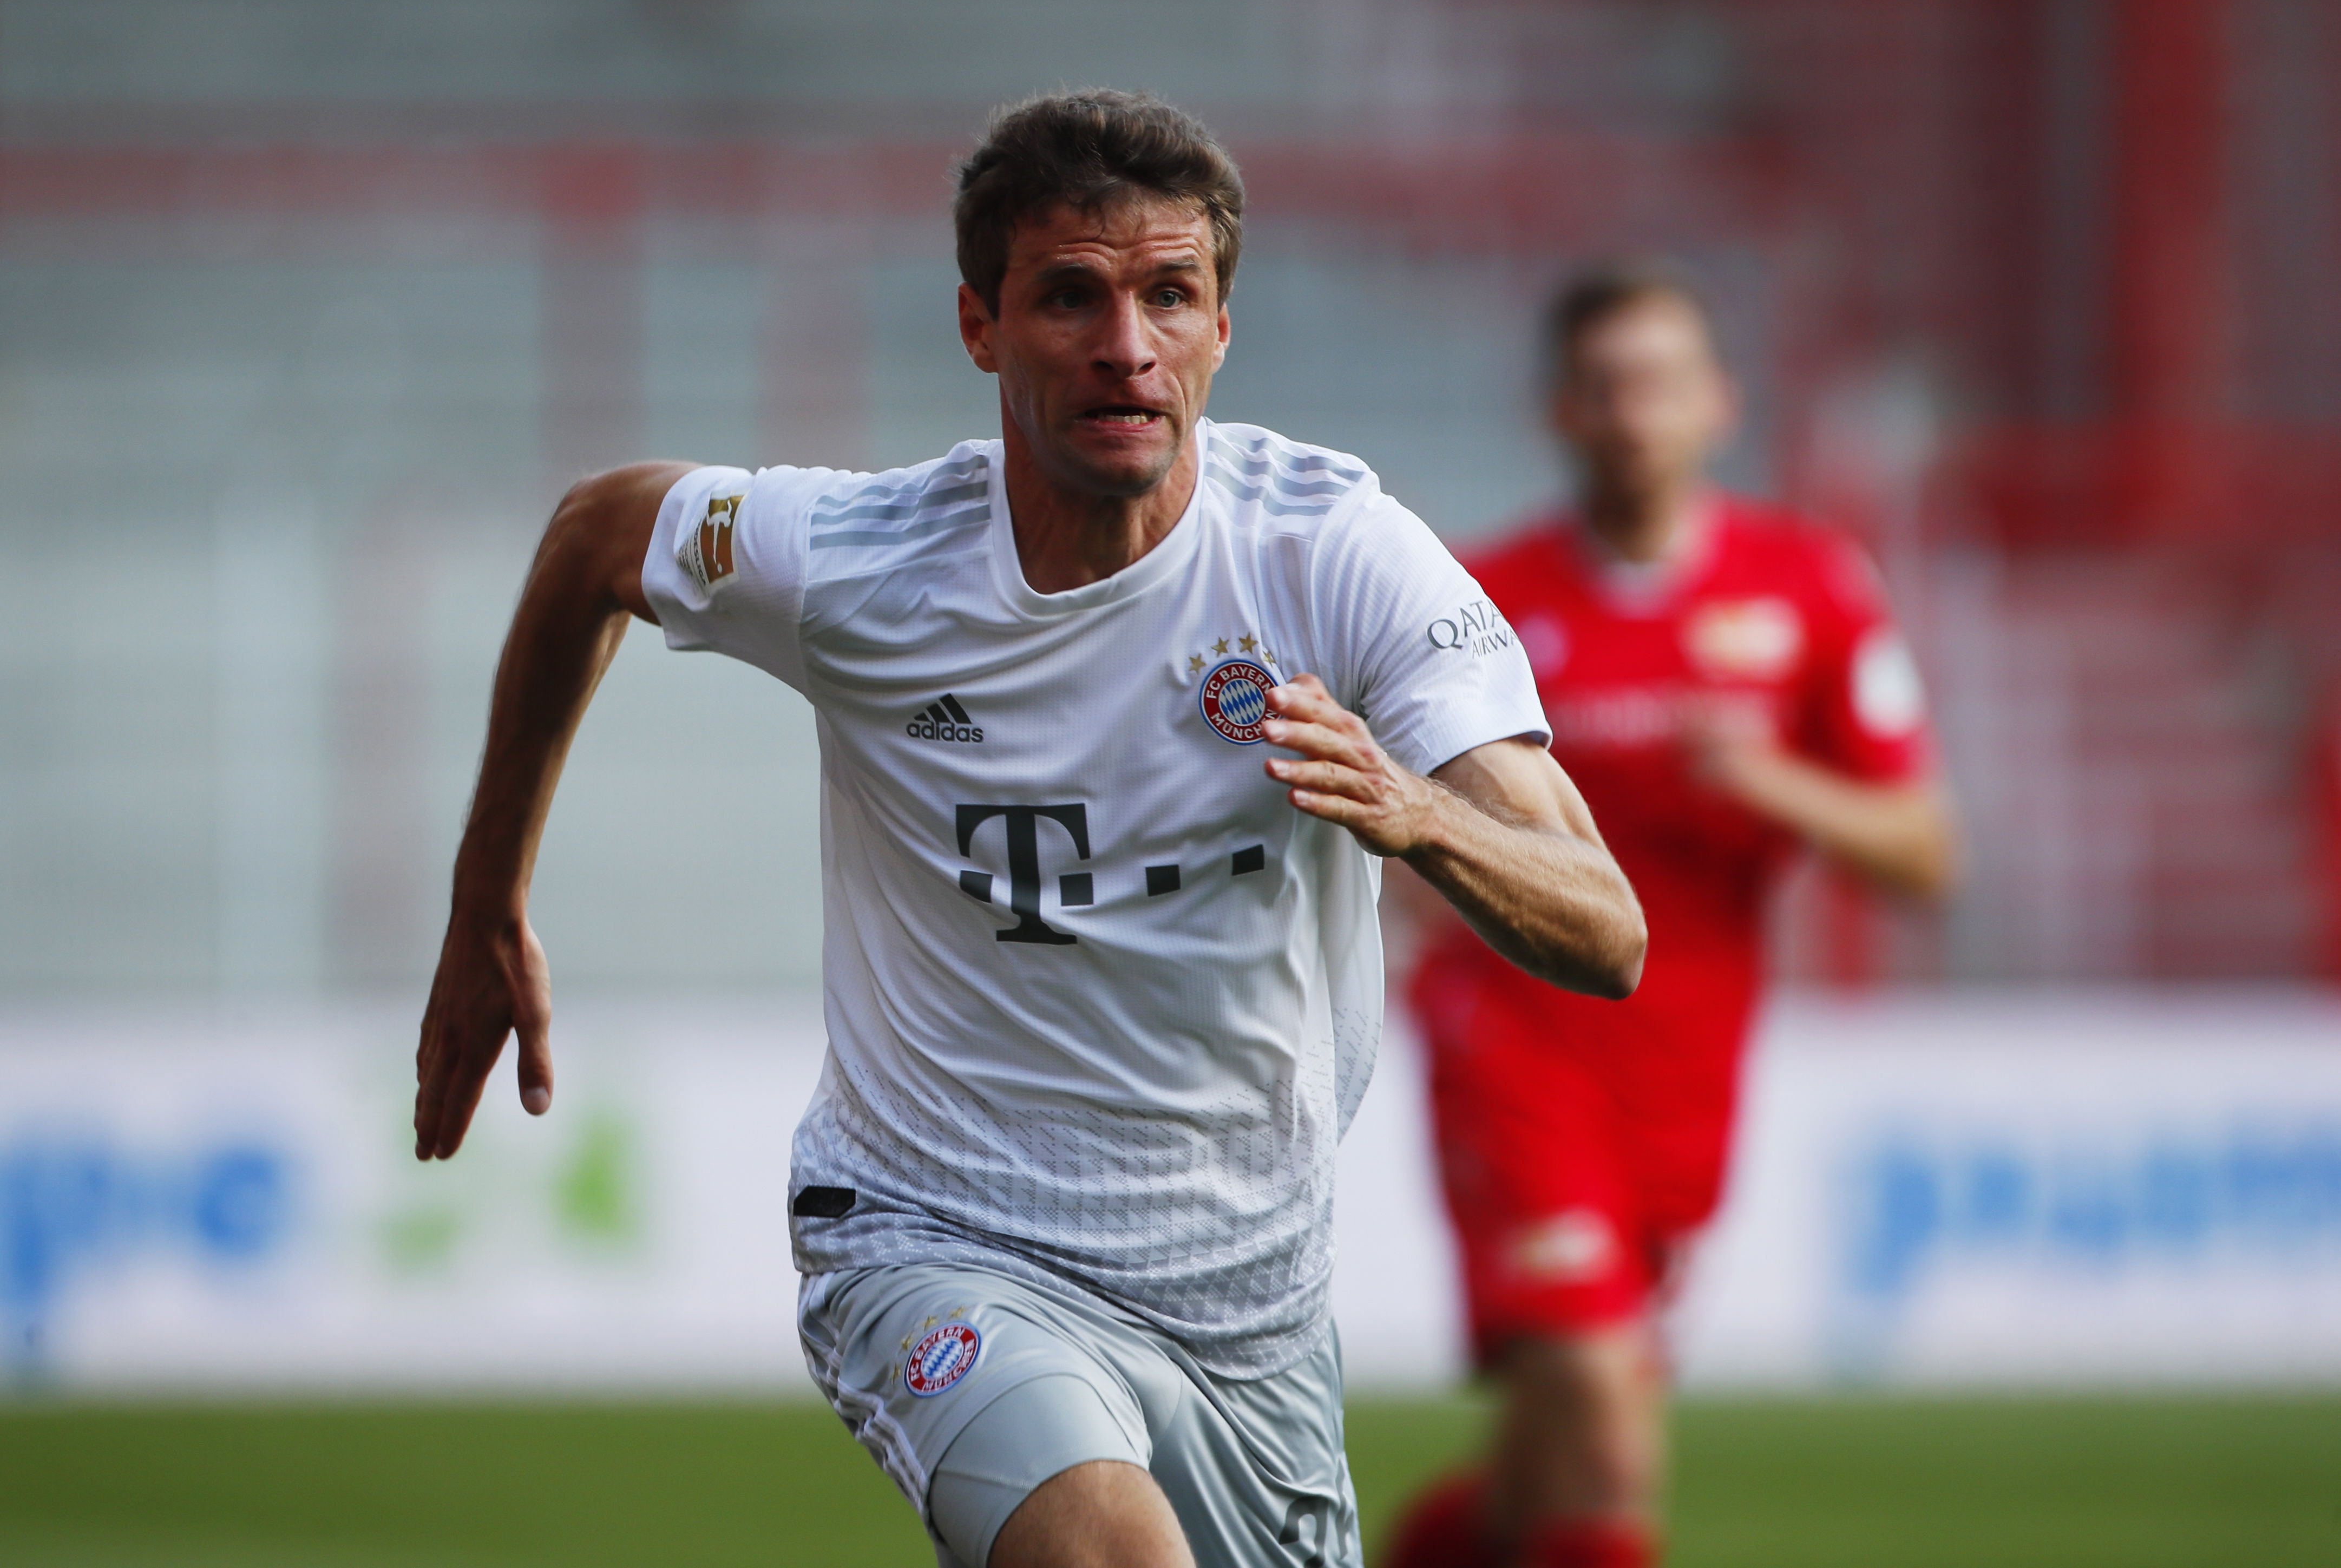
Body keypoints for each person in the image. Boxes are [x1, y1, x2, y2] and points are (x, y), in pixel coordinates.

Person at [409, 90, 1647, 1568]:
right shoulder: (864, 563)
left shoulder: (1334, 556)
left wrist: (1417, 811)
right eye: (1069, 295)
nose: (1124, 344)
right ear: (977, 328)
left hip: (1244, 1301)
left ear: (1219, 332)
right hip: (934, 1235)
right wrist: (488, 899)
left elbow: (1605, 929)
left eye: (1168, 295)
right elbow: (598, 535)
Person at [1382, 265, 1958, 1568]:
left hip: (1687, 1074)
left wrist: (1771, 777)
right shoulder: (1482, 601)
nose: (1634, 411)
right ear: (1557, 414)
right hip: (1514, 1046)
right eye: (1604, 386)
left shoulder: (1809, 586)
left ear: (1720, 405)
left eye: (1660, 382)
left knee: (1542, 1476)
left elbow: (1923, 851)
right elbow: (1394, 818)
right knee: (1605, 1425)